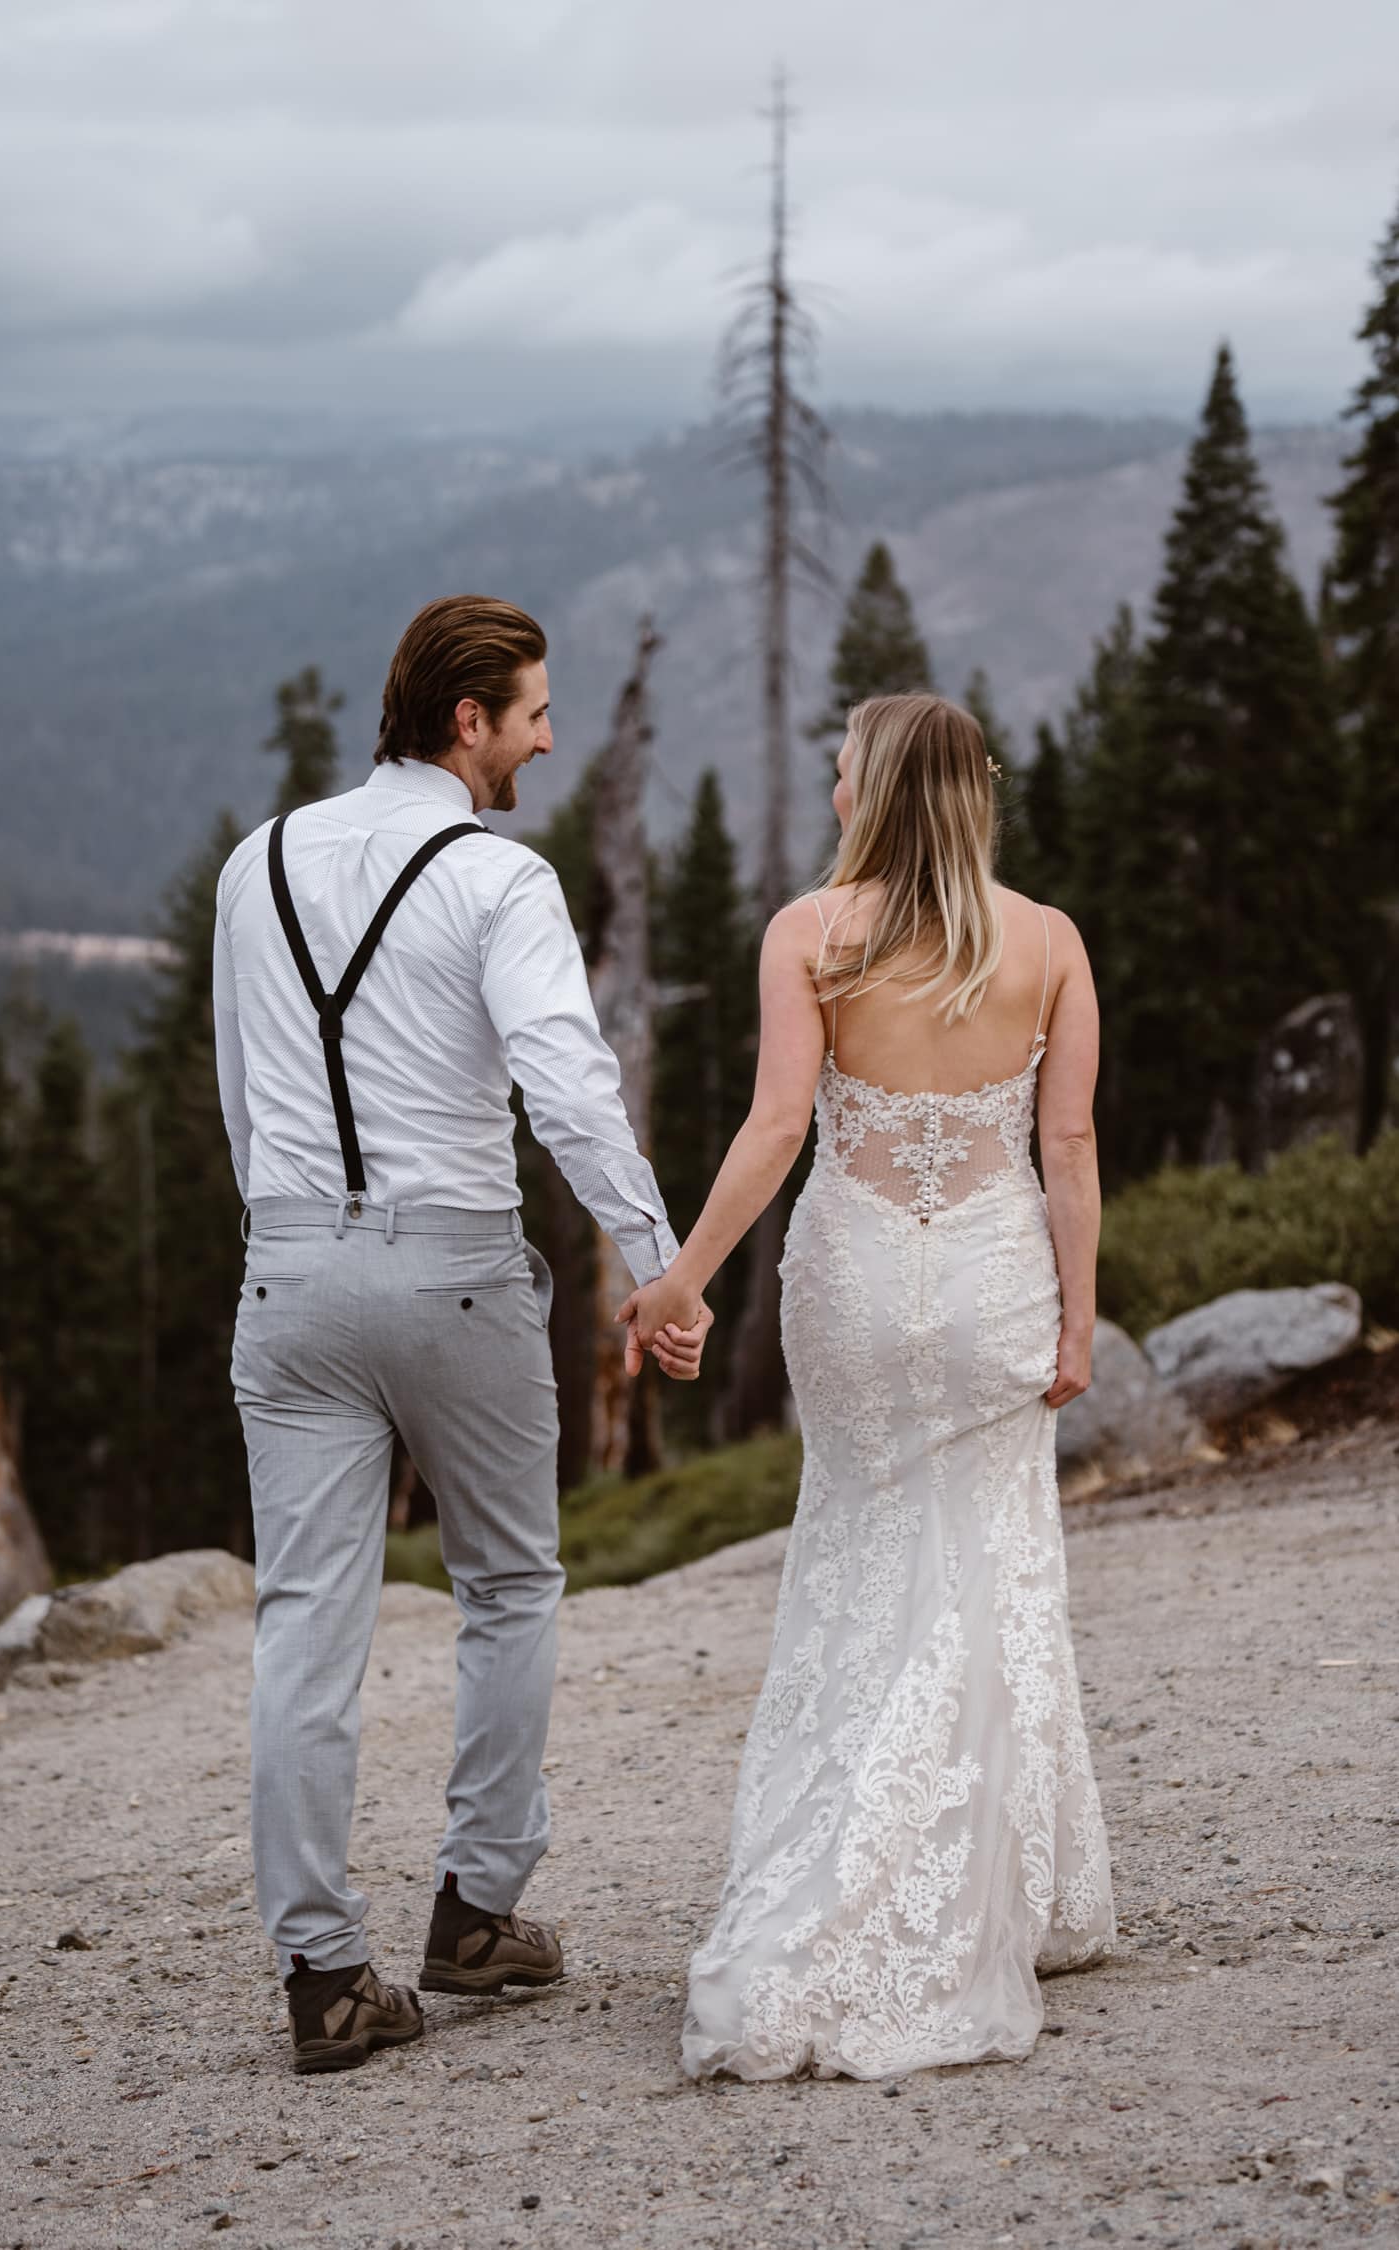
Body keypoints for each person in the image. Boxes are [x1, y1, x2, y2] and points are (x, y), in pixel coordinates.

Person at [214, 594, 710, 2075]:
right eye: (531, 713)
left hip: (289, 1268)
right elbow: (568, 1091)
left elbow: (242, 1091)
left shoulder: (258, 861)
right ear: (463, 721)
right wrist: (662, 1261)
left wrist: (290, 1236)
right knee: (509, 1581)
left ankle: (322, 1974)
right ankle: (476, 1909)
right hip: (459, 1277)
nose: (549, 736)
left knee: (307, 1619)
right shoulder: (503, 881)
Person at [620, 692, 1116, 2081]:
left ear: (878, 789)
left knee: (855, 1549)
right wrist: (1080, 1318)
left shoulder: (810, 933)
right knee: (993, 1557)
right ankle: (1009, 1885)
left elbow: (782, 1123)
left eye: (844, 766)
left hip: (848, 1287)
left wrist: (682, 1277)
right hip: (993, 1280)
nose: (835, 786)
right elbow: (1066, 1143)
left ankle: (838, 1871)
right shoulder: (1050, 942)